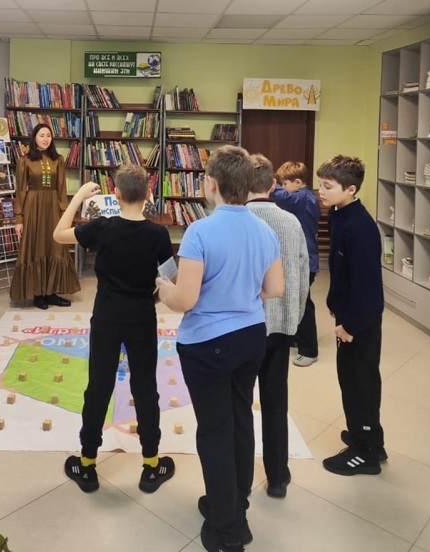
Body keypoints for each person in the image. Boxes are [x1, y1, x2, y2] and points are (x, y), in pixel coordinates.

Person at [156, 145, 284, 552]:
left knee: (214, 431)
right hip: (251, 337)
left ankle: (226, 530)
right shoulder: (265, 230)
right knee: (240, 421)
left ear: (210, 183)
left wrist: (164, 289)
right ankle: (234, 506)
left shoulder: (200, 231)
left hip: (208, 344)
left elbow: (185, 300)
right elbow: (275, 289)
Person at [53, 164, 176, 494]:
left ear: (116, 193)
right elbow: (170, 278)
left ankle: (87, 463)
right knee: (145, 388)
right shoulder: (158, 235)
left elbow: (59, 234)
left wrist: (79, 196)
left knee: (99, 387)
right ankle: (151, 464)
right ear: (148, 194)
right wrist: (151, 294)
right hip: (141, 317)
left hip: (107, 317)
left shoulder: (102, 227)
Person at [317, 155, 387, 476]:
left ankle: (366, 452)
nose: (321, 191)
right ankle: (368, 436)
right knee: (350, 378)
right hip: (349, 312)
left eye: (328, 186)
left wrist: (351, 325)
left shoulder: (359, 226)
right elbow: (341, 267)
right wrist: (335, 301)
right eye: (321, 184)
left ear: (351, 189)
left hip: (361, 319)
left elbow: (368, 286)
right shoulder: (338, 214)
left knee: (360, 382)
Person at [247, 154, 310, 499]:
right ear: (273, 184)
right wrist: (293, 318)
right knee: (275, 401)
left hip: (244, 326)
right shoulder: (290, 222)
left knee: (239, 403)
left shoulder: (236, 221)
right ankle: (277, 477)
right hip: (281, 325)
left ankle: (240, 474)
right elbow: (301, 275)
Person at [10, 123, 80, 310]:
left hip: (53, 209)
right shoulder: (24, 160)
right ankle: (38, 294)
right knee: (36, 248)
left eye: (48, 135)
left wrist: (65, 215)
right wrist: (19, 219)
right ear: (34, 138)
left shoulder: (58, 160)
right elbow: (20, 192)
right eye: (41, 135)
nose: (45, 139)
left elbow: (62, 189)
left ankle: (51, 293)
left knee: (55, 246)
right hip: (33, 208)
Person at [272, 161, 321, 367]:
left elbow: (282, 197)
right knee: (297, 298)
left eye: (285, 184)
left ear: (298, 182)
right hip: (302, 258)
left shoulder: (303, 198)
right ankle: (296, 336)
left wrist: (270, 185)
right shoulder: (303, 198)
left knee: (303, 303)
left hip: (306, 260)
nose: (283, 188)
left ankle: (309, 350)